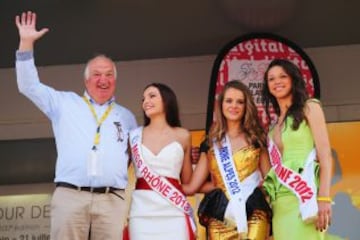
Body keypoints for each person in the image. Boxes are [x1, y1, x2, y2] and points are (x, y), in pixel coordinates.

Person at [15, 11, 137, 239]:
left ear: (115, 80)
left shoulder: (127, 117)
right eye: (97, 74)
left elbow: (134, 158)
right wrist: (26, 43)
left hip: (113, 200)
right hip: (71, 195)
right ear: (86, 80)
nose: (103, 80)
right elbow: (28, 86)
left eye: (109, 74)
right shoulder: (64, 103)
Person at [183, 80, 272, 240]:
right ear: (221, 105)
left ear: (247, 106)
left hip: (253, 213)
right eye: (229, 101)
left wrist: (259, 187)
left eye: (240, 102)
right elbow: (192, 187)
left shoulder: (257, 138)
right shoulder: (210, 143)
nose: (234, 106)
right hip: (220, 216)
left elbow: (270, 181)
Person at [262, 58, 333, 240]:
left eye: (282, 76)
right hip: (279, 203)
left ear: (293, 79)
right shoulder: (272, 128)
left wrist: (324, 198)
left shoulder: (310, 107)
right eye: (271, 79)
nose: (277, 82)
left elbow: (325, 155)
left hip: (305, 198)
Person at [128, 83, 195, 240]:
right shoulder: (134, 136)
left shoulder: (183, 135)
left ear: (167, 100)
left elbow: (187, 180)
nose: (146, 101)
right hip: (142, 212)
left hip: (174, 211)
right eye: (143, 99)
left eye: (152, 96)